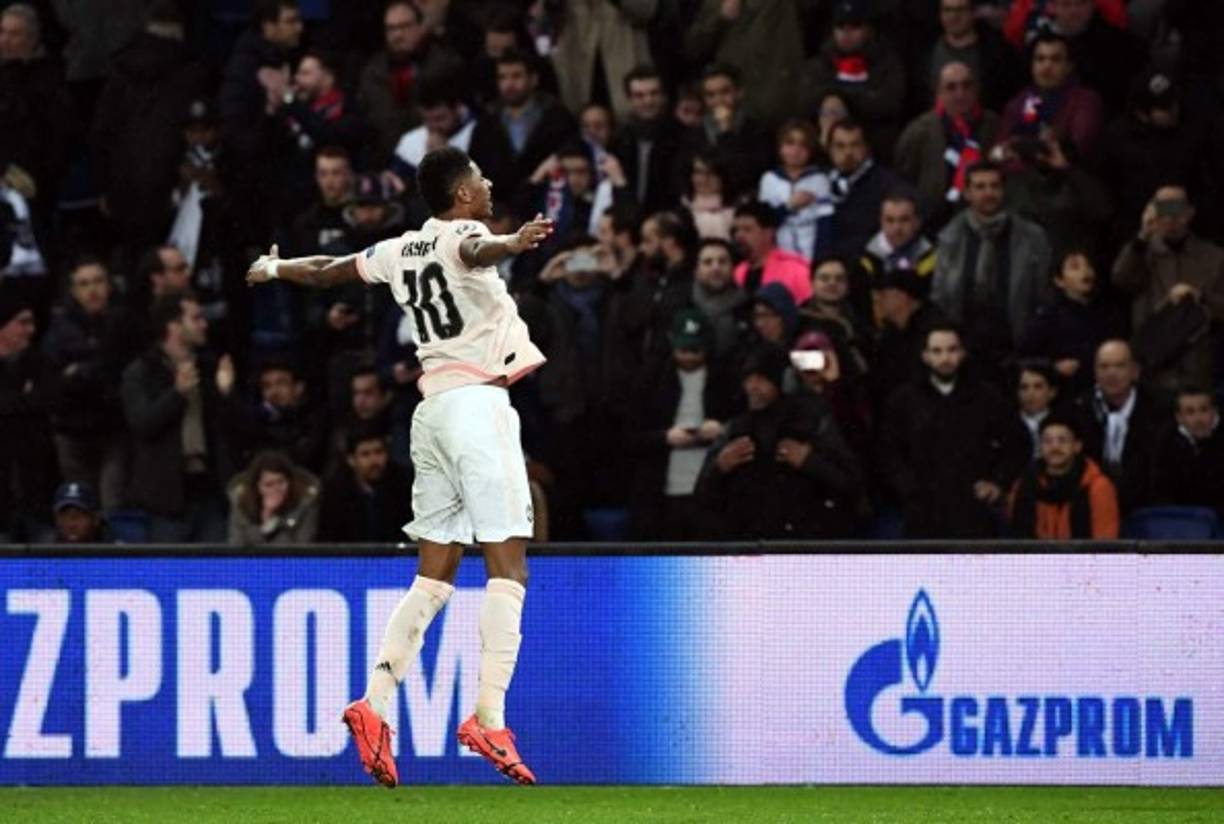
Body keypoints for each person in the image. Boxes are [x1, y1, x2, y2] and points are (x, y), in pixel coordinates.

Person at [246, 146, 555, 787]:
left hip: (431, 412)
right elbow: (475, 252)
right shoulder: (468, 232)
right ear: (463, 195)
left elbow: (330, 269)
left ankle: (374, 704)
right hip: (477, 405)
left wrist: (275, 267)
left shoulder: (399, 249)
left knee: (435, 574)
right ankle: (488, 719)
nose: (488, 181)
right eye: (480, 176)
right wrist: (514, 243)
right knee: (510, 563)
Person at [695, 343, 863, 539]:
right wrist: (719, 467)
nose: (752, 387)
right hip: (749, 548)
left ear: (783, 382)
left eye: (761, 379)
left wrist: (809, 461)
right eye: (748, 379)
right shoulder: (736, 429)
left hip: (804, 545)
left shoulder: (812, 423)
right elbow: (702, 493)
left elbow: (851, 484)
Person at [878, 323, 1026, 538]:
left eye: (952, 350)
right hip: (921, 515)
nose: (945, 358)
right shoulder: (903, 401)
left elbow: (1018, 444)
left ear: (963, 353)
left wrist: (998, 482)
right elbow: (887, 452)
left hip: (974, 514)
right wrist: (908, 489)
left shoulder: (987, 398)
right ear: (925, 356)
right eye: (937, 351)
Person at [121, 290, 239, 542]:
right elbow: (142, 424)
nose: (204, 324)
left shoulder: (208, 368)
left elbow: (230, 432)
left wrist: (224, 394)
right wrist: (177, 394)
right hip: (165, 497)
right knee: (166, 574)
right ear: (173, 325)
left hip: (209, 491)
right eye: (195, 318)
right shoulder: (142, 371)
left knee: (214, 576)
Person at [624, 309, 738, 540]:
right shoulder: (651, 379)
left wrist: (723, 430)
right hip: (662, 490)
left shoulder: (724, 379)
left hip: (710, 489)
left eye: (695, 350)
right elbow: (628, 437)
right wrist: (665, 437)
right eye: (683, 349)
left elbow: (744, 423)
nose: (688, 356)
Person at [931, 161, 1051, 374]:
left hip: (1016, 348)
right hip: (965, 348)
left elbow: (1042, 293)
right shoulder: (949, 238)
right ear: (967, 192)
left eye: (994, 186)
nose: (989, 193)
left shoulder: (1032, 238)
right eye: (980, 187)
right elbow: (941, 296)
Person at [41, 258, 141, 511]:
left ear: (109, 286)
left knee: (112, 503)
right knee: (78, 506)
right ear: (73, 291)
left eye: (98, 281)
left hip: (113, 429)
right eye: (84, 284)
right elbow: (55, 381)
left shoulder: (124, 323)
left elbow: (120, 370)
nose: (92, 290)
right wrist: (95, 368)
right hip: (71, 431)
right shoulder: (59, 329)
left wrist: (80, 370)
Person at [1112, 185, 1224, 391]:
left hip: (1198, 365)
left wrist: (1199, 297)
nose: (1171, 216)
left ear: (1190, 212)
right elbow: (1121, 280)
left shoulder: (1214, 257)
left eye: (1177, 208)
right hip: (1152, 364)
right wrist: (1143, 235)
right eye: (1164, 208)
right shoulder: (1141, 253)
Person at [1063, 340, 1168, 515]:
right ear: (1095, 372)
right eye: (1104, 367)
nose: (1111, 373)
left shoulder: (1159, 408)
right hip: (1090, 506)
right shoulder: (1077, 409)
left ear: (1134, 371)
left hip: (1147, 506)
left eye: (1120, 366)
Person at [895, 61, 1002, 230]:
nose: (960, 94)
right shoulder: (919, 131)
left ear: (976, 89)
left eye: (966, 86)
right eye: (951, 87)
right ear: (938, 92)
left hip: (985, 221)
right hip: (932, 224)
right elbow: (904, 180)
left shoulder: (994, 126)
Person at [358, 0, 463, 167]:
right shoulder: (373, 72)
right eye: (391, 28)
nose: (397, 35)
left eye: (404, 26)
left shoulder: (446, 65)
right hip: (384, 163)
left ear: (421, 27)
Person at [800, 0, 906, 162]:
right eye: (841, 27)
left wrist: (843, 96)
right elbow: (806, 101)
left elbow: (889, 103)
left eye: (854, 27)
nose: (846, 33)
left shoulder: (885, 62)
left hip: (875, 147)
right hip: (826, 155)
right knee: (830, 104)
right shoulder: (820, 64)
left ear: (867, 30)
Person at [468, 49, 578, 198]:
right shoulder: (486, 123)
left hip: (546, 202)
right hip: (498, 210)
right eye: (502, 77)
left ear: (533, 79)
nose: (509, 84)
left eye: (516, 76)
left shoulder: (556, 118)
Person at [1018, 249, 1123, 396]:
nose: (1085, 271)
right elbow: (1024, 358)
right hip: (1064, 393)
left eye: (1088, 266)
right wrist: (1053, 367)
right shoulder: (1047, 316)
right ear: (1059, 280)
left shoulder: (1107, 311)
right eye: (1075, 267)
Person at [0, 285, 57, 541]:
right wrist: (24, 399)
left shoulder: (41, 363)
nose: (31, 330)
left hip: (38, 493)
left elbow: (48, 400)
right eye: (22, 323)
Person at [1008, 415, 1119, 539]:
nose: (1055, 447)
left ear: (1077, 446)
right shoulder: (1024, 484)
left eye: (1062, 440)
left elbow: (1106, 543)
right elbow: (1016, 538)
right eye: (1047, 441)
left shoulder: (1098, 487)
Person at [317, 423, 412, 542]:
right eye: (365, 454)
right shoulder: (335, 493)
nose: (374, 461)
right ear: (351, 460)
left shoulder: (404, 486)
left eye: (378, 452)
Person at [757, 120, 834, 260]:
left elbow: (826, 222)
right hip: (780, 253)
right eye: (790, 143)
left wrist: (821, 258)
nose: (796, 150)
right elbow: (764, 221)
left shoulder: (820, 179)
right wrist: (789, 206)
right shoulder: (769, 179)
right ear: (780, 147)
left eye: (803, 145)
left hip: (810, 252)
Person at [827, 119, 899, 260]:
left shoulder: (887, 184)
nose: (848, 152)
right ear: (829, 149)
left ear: (866, 148)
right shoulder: (820, 183)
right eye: (840, 146)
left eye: (855, 145)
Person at [1151, 386, 1224, 519]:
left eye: (1204, 410)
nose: (1199, 419)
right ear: (1179, 418)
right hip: (1183, 522)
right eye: (1190, 412)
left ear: (1214, 411)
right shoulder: (1165, 443)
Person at [227, 449, 320, 545]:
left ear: (290, 482)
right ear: (257, 487)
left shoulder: (305, 502)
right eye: (269, 484)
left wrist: (276, 521)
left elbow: (301, 549)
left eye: (281, 482)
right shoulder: (242, 503)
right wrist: (266, 516)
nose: (276, 489)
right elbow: (236, 546)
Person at [731, 201, 811, 305]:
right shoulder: (737, 272)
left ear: (769, 233)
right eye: (736, 230)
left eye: (747, 229)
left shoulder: (797, 271)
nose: (739, 236)